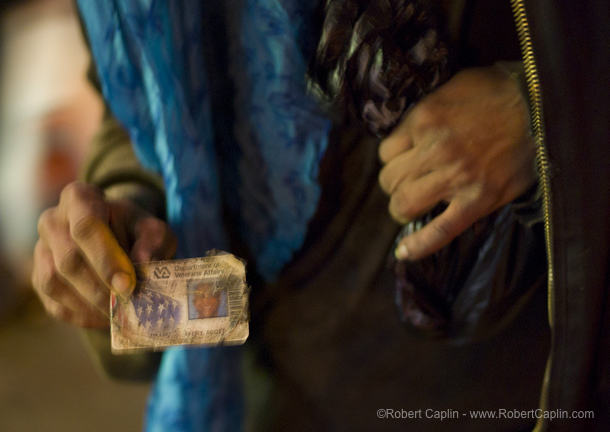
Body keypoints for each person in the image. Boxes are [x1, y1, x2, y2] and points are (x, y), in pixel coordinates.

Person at [30, 1, 609, 431]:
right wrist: (127, 205)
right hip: (269, 388)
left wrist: (542, 111)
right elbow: (135, 99)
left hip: (511, 372)